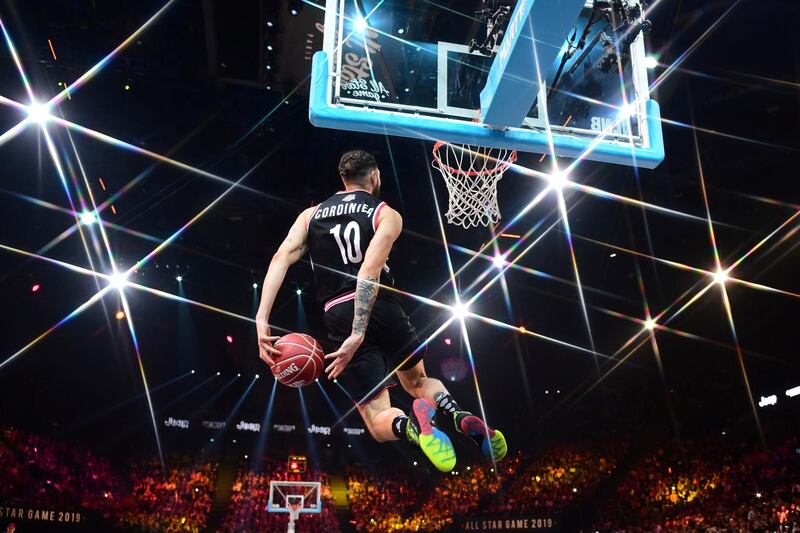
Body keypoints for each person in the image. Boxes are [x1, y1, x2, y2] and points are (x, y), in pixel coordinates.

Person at [255, 149, 506, 472]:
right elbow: (369, 273)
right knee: (417, 381)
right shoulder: (386, 214)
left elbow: (280, 259)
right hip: (386, 306)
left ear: (342, 179)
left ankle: (413, 429)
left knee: (376, 420)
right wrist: (362, 329)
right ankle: (455, 412)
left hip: (339, 313)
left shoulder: (310, 215)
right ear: (374, 177)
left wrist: (262, 319)